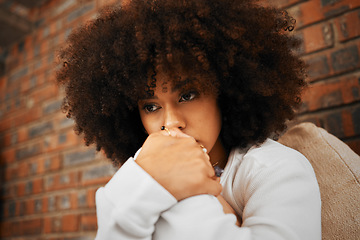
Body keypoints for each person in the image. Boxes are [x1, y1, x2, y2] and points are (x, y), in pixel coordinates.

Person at [56, 0, 321, 239]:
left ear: (225, 92)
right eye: (150, 106)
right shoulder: (139, 173)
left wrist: (178, 188)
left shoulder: (275, 169)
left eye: (188, 94)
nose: (171, 122)